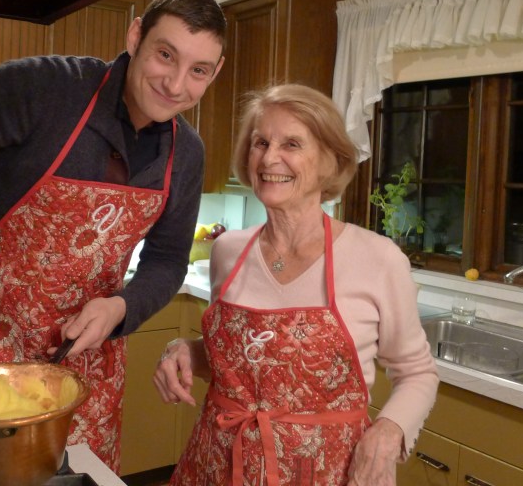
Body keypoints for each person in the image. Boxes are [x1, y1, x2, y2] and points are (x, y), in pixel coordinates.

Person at [0, 0, 226, 470]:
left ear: (213, 73)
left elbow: (167, 260)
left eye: (198, 71)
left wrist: (121, 307)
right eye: (165, 54)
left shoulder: (187, 154)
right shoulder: (50, 90)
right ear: (135, 35)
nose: (176, 85)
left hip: (87, 374)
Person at [153, 84, 438, 486]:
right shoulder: (228, 252)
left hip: (326, 472)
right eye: (260, 142)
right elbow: (245, 361)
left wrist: (390, 430)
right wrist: (182, 351)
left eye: (291, 144)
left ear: (329, 162)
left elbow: (418, 372)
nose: (270, 158)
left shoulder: (377, 258)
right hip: (217, 464)